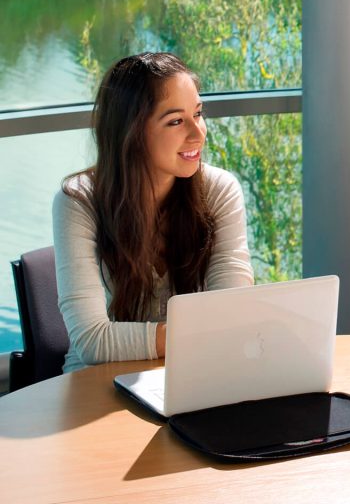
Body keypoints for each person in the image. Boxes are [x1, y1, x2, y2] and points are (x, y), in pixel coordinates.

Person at [54, 52, 254, 372]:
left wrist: (211, 335)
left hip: (192, 373)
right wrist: (206, 334)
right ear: (132, 133)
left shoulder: (219, 190)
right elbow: (92, 341)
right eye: (176, 121)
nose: (198, 132)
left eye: (198, 114)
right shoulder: (78, 201)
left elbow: (232, 313)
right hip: (96, 384)